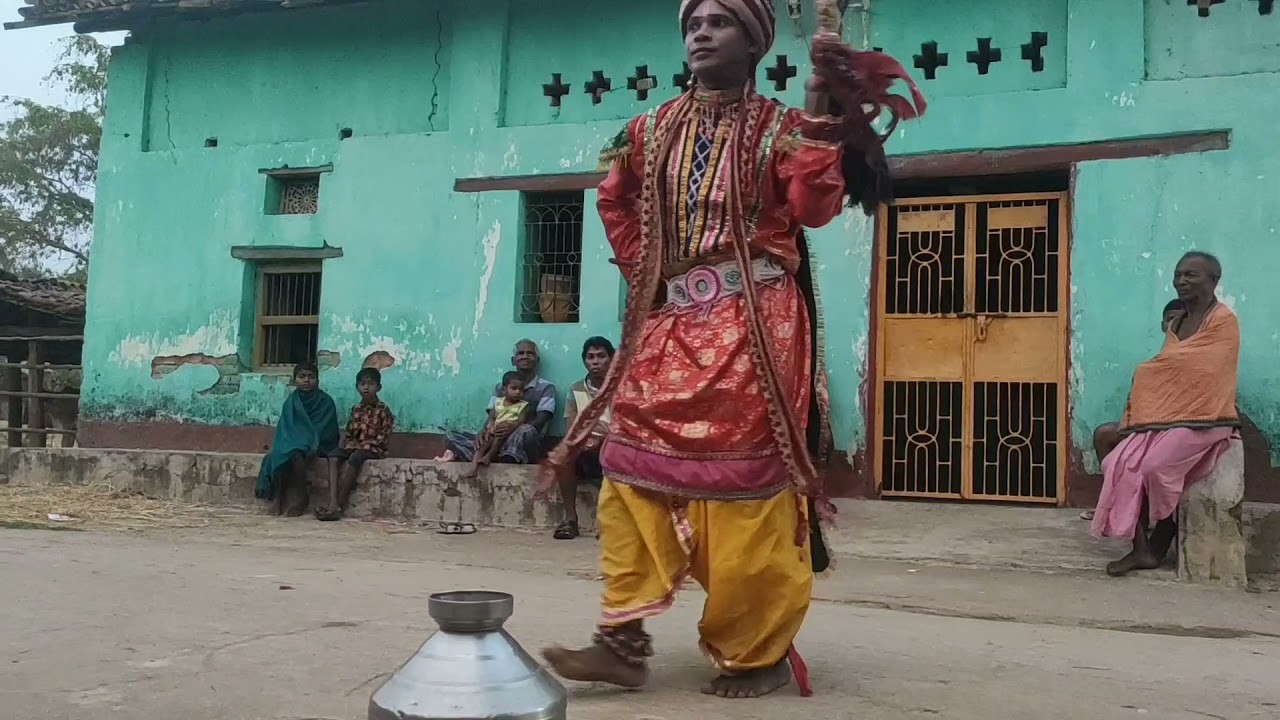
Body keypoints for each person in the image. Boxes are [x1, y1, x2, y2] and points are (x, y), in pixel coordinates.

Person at [537, 0, 923, 700]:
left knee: (742, 488)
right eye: (693, 24)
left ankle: (756, 651)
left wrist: (814, 107)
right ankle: (621, 639)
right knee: (625, 467)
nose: (701, 33)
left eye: (718, 22)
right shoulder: (646, 131)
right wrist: (646, 273)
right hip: (669, 321)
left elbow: (811, 209)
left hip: (755, 321)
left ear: (753, 43)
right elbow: (614, 201)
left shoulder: (780, 127)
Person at [1091, 252, 1240, 577]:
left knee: (1154, 465)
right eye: (1178, 274)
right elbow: (1169, 374)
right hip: (1165, 419)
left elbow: (1204, 374)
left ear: (1213, 280)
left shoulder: (1223, 321)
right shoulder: (1176, 323)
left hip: (1207, 419)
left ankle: (1164, 530)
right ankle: (1141, 548)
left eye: (1191, 275)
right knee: (1115, 454)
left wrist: (1150, 375)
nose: (1182, 281)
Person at [1081, 298, 1185, 523]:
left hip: (1176, 431)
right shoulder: (1156, 362)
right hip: (1147, 426)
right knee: (1105, 434)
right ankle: (1114, 504)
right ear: (1162, 325)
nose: (1174, 325)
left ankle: (1139, 515)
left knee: (1145, 456)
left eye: (1180, 321)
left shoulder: (1195, 356)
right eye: (1170, 320)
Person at [439, 340, 557, 465]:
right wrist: (484, 431)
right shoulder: (501, 387)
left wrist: (513, 427)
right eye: (520, 353)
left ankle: (500, 455)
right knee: (450, 436)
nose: (525, 356)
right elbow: (492, 415)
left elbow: (541, 421)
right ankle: (500, 456)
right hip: (496, 437)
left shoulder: (546, 388)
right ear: (513, 361)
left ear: (537, 360)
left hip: (523, 441)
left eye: (530, 353)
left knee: (527, 430)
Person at [254, 362, 340, 517]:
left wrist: (307, 441)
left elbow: (326, 430)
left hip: (318, 444)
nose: (306, 380)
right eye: (302, 377)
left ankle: (302, 497)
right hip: (294, 443)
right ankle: (278, 499)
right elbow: (285, 429)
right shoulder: (291, 403)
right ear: (294, 381)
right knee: (280, 454)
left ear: (318, 380)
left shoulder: (326, 402)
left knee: (296, 452)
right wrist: (293, 442)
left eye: (311, 377)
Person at [554, 337, 616, 540]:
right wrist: (580, 442)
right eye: (590, 357)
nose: (595, 362)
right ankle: (570, 520)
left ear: (612, 358)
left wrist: (601, 440)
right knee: (563, 457)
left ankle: (610, 524)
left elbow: (625, 426)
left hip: (614, 446)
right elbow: (571, 426)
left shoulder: (622, 388)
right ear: (584, 362)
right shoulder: (576, 390)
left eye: (601, 356)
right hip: (585, 446)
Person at [314, 368, 395, 522]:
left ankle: (339, 505)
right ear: (357, 386)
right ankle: (332, 502)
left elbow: (383, 437)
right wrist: (350, 445)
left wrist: (363, 445)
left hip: (374, 448)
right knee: (333, 456)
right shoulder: (356, 409)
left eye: (370, 384)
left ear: (378, 387)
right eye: (362, 384)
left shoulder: (383, 410)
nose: (366, 387)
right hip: (354, 446)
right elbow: (350, 434)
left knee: (356, 458)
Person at [464, 372, 534, 478]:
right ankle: (473, 468)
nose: (518, 392)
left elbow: (521, 421)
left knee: (499, 438)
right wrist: (489, 426)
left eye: (521, 390)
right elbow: (492, 416)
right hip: (494, 430)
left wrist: (510, 427)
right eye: (514, 388)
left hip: (508, 433)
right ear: (504, 390)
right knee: (481, 445)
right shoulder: (498, 402)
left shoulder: (522, 405)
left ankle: (489, 456)